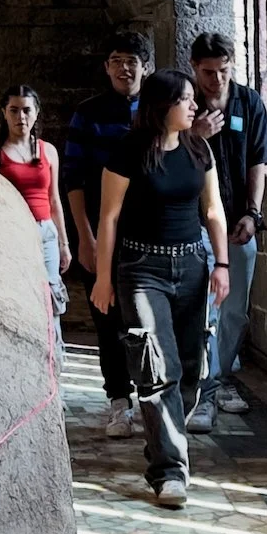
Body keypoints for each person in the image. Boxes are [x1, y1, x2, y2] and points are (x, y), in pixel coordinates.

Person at [89, 70, 231, 509]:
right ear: (161, 105)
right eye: (185, 100)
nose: (195, 106)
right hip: (141, 268)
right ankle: (169, 472)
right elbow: (109, 217)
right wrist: (103, 277)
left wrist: (222, 264)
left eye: (193, 99)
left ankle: (161, 440)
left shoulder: (198, 148)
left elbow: (213, 210)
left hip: (191, 265)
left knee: (190, 369)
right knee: (155, 365)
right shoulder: (129, 151)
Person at [64, 30, 154, 438]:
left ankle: (153, 399)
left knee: (146, 321)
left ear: (145, 67)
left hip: (147, 234)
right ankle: (119, 401)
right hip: (100, 232)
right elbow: (74, 178)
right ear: (107, 67)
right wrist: (85, 237)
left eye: (131, 60)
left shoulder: (157, 112)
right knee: (107, 318)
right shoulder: (88, 113)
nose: (124, 68)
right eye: (116, 60)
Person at [186, 32, 267, 423]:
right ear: (194, 68)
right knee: (202, 309)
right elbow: (163, 150)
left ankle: (218, 379)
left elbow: (259, 160)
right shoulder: (184, 103)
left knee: (235, 310)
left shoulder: (249, 102)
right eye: (208, 72)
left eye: (223, 71)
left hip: (238, 224)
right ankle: (201, 389)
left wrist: (252, 214)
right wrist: (194, 135)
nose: (216, 80)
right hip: (195, 224)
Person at [0, 85, 72, 347]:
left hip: (44, 232)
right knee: (15, 295)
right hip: (10, 235)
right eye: (14, 110)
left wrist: (63, 244)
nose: (21, 117)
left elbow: (54, 200)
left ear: (37, 113)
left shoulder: (48, 151)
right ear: (4, 114)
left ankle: (53, 358)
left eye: (27, 110)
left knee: (50, 296)